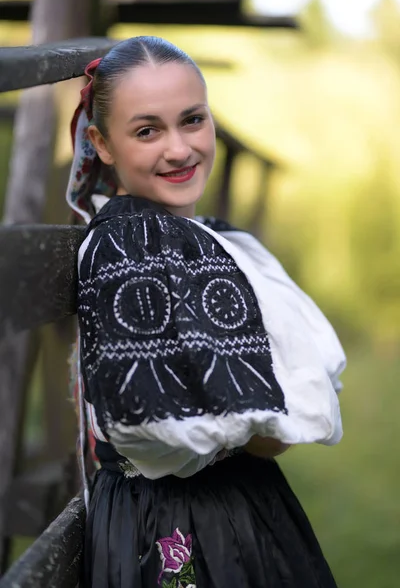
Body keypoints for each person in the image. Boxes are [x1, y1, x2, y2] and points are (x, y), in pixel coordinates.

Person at [66, 36, 346, 588]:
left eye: (192, 120)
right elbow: (171, 428)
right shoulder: (130, 243)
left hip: (242, 505)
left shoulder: (207, 238)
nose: (179, 148)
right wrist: (249, 423)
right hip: (177, 522)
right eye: (147, 130)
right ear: (100, 142)